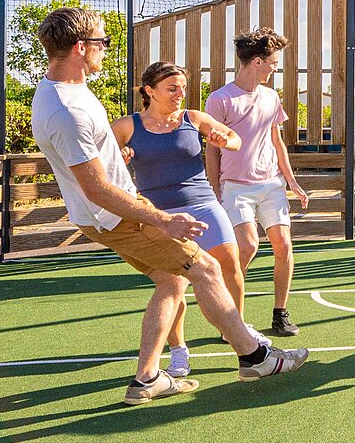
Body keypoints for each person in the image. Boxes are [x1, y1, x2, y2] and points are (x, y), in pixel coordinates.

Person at [29, 8, 307, 405]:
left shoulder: (64, 90)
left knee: (172, 280)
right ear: (79, 47)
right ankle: (255, 356)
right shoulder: (66, 109)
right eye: (102, 42)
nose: (106, 50)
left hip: (112, 212)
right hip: (114, 216)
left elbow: (95, 164)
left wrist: (116, 154)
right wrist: (162, 219)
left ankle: (148, 378)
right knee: (205, 268)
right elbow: (96, 189)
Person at [113, 61, 267, 379]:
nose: (180, 93)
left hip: (204, 204)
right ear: (149, 91)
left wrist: (224, 140)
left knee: (231, 264)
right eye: (172, 88)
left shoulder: (192, 118)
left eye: (183, 87)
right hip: (160, 214)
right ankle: (179, 349)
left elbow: (233, 138)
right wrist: (121, 156)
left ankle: (236, 330)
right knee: (175, 281)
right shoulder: (128, 126)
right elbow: (102, 160)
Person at [206, 27, 309, 337]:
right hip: (236, 187)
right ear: (257, 62)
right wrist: (214, 190)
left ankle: (280, 315)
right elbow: (212, 150)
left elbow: (277, 142)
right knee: (247, 246)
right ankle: (231, 319)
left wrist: (292, 182)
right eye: (273, 62)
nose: (275, 68)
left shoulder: (270, 97)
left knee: (284, 245)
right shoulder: (220, 99)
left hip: (271, 185)